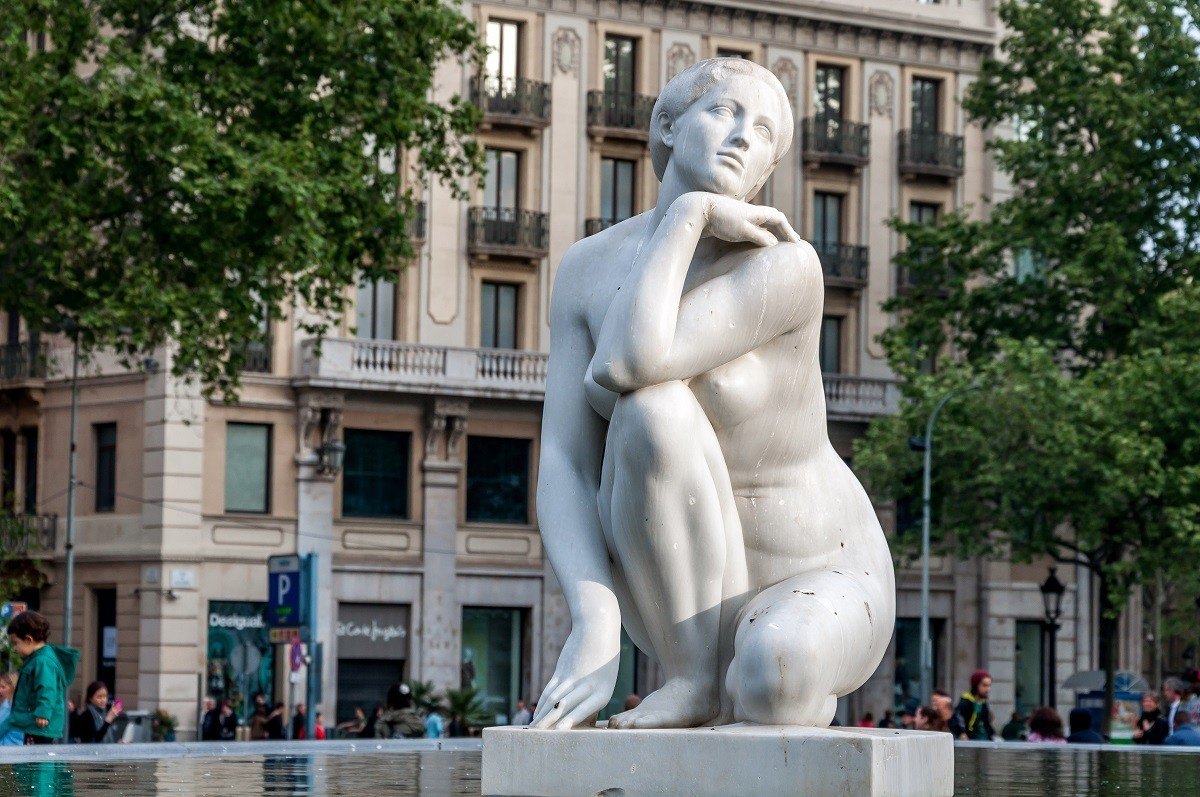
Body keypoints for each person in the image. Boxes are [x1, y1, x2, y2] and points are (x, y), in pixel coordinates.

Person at [532, 57, 894, 732]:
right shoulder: (586, 267)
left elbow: (626, 360)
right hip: (679, 599)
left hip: (820, 569)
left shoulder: (785, 263)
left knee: (773, 677)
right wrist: (595, 616)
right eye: (726, 112)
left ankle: (767, 679)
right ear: (666, 127)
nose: (743, 140)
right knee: (653, 410)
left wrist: (688, 215)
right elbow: (564, 461)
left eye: (764, 135)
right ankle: (695, 678)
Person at [4, 610, 79, 745]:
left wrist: (43, 713)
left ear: (28, 639)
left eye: (16, 643)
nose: (14, 649)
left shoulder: (42, 661)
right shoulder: (36, 659)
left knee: (37, 761)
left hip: (40, 725)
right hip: (34, 721)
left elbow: (47, 687)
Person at [951, 671, 995, 741]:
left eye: (989, 686)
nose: (988, 689)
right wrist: (962, 733)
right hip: (970, 740)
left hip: (983, 740)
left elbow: (986, 724)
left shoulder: (983, 703)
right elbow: (957, 718)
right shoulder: (966, 701)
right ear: (976, 685)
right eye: (984, 685)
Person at [0, 672, 27, 745]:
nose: (0, 690)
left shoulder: (8, 708)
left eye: (3, 687)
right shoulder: (21, 705)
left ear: (12, 688)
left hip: (7, 749)